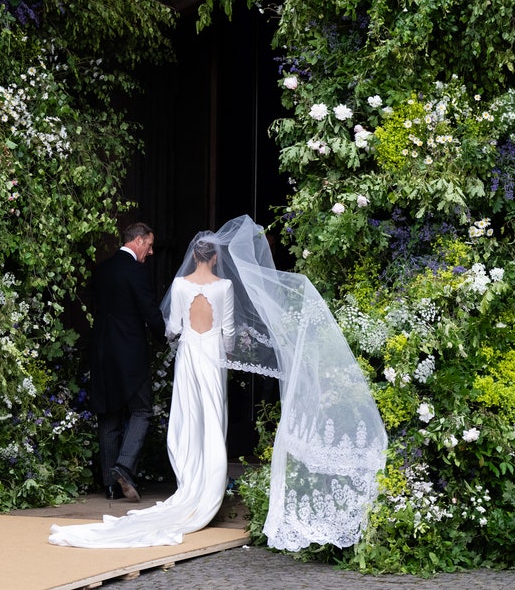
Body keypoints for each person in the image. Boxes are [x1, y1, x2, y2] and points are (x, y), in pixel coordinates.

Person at [49, 216, 386, 551]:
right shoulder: (223, 287)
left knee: (171, 418)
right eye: (149, 245)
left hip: (172, 357)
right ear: (214, 257)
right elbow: (225, 336)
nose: (151, 252)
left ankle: (149, 481)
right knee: (207, 417)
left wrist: (171, 338)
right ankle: (202, 482)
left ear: (194, 255)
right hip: (208, 357)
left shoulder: (168, 283)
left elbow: (172, 328)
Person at [88, 221, 158, 503]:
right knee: (142, 410)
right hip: (130, 355)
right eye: (150, 245)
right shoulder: (135, 271)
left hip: (103, 354)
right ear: (138, 241)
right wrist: (164, 337)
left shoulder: (101, 270)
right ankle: (124, 466)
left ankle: (110, 486)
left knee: (109, 414)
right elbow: (149, 311)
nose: (151, 252)